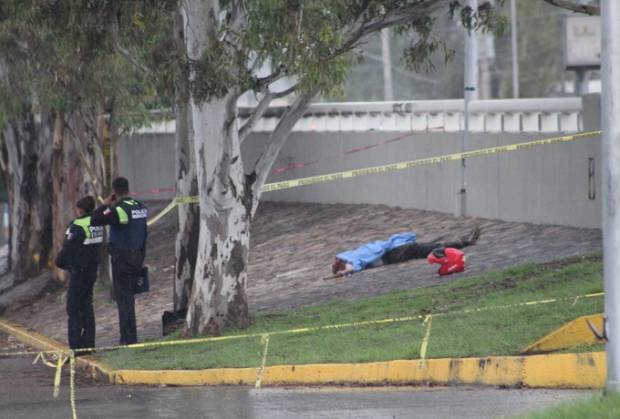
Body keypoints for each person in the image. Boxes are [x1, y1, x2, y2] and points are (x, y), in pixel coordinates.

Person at [91, 177, 148, 345]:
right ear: (128, 189)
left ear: (115, 191)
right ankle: (132, 337)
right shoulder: (139, 207)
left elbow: (95, 220)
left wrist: (105, 204)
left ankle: (127, 339)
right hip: (137, 256)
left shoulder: (119, 210)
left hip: (122, 258)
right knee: (129, 298)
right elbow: (144, 234)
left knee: (124, 299)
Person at [331, 224, 481, 277]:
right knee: (420, 248)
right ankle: (459, 244)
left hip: (392, 251)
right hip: (392, 255)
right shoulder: (352, 260)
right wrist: (345, 271)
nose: (335, 261)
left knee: (424, 248)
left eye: (336, 260)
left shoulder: (351, 255)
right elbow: (353, 267)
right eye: (337, 264)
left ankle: (462, 243)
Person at [55, 196, 104, 352]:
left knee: (73, 308)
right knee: (87, 307)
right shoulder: (97, 223)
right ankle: (89, 344)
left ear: (80, 209)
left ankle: (76, 346)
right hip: (92, 271)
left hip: (79, 272)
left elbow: (68, 247)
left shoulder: (77, 225)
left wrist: (60, 263)